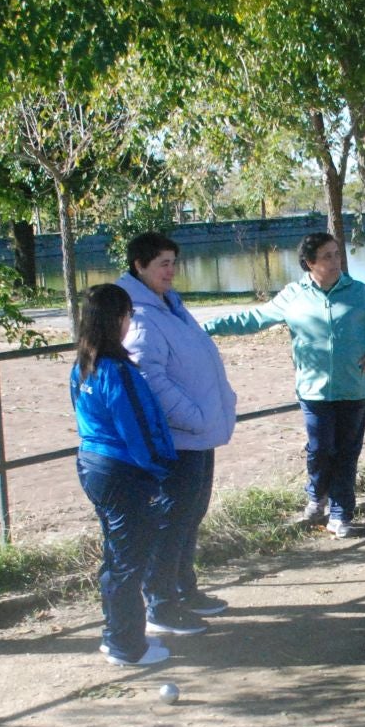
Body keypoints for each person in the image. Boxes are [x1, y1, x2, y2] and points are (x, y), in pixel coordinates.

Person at [204, 232, 365, 539]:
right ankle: (316, 494)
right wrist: (209, 327)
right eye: (327, 256)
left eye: (337, 254)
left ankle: (340, 515)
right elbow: (254, 318)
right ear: (309, 263)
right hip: (314, 391)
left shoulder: (357, 292)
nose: (336, 262)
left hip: (354, 388)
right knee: (321, 450)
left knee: (347, 453)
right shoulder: (293, 296)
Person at [118, 231, 238, 638]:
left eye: (173, 262)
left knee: (191, 515)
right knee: (173, 519)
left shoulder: (170, 304)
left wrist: (216, 407)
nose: (171, 271)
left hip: (198, 433)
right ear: (140, 267)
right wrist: (194, 415)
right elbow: (149, 378)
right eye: (162, 264)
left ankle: (185, 589)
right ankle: (161, 603)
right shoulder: (140, 315)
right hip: (179, 438)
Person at [72, 284, 177, 667]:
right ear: (117, 318)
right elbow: (135, 427)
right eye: (128, 315)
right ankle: (126, 645)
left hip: (94, 465)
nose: (129, 321)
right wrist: (159, 469)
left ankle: (115, 635)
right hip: (120, 470)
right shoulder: (117, 370)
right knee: (129, 559)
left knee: (117, 554)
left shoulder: (84, 365)